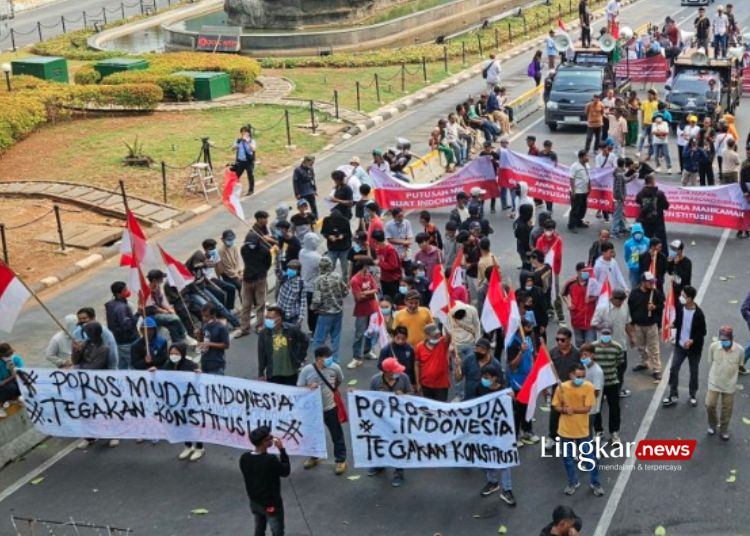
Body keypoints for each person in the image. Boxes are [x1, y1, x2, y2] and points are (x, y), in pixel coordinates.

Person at [553, 362, 604, 496]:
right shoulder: (561, 388)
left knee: (590, 458)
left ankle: (595, 483)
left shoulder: (588, 387)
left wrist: (572, 410)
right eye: (578, 376)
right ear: (571, 375)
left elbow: (587, 408)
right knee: (567, 458)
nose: (580, 379)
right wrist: (563, 410)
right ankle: (572, 482)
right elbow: (556, 406)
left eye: (583, 376)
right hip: (565, 431)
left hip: (582, 430)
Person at [298, 346, 347, 475]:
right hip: (313, 410)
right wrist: (308, 387)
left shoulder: (335, 367)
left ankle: (340, 460)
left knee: (336, 434)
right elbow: (299, 387)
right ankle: (314, 456)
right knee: (313, 433)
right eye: (327, 357)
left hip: (330, 407)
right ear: (319, 359)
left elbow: (339, 380)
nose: (330, 360)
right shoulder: (307, 371)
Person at [368, 357, 413, 487]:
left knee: (398, 444)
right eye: (394, 370)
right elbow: (368, 398)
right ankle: (379, 465)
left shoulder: (403, 378)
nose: (397, 372)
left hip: (398, 419)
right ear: (386, 371)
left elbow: (411, 393)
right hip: (382, 420)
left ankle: (399, 472)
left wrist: (404, 396)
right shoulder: (375, 381)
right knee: (381, 442)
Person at [239, 426, 290, 536]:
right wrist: (282, 450)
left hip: (254, 501)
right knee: (277, 530)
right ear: (263, 442)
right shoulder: (270, 460)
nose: (272, 439)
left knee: (259, 527)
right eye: (269, 437)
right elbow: (285, 471)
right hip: (271, 503)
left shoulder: (244, 458)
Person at [663, 286, 706, 408]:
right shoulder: (681, 308)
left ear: (690, 298)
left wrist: (692, 340)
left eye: (683, 296)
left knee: (694, 371)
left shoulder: (699, 314)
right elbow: (679, 321)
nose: (681, 298)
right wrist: (672, 325)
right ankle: (673, 394)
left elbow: (703, 332)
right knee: (674, 368)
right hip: (680, 346)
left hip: (694, 349)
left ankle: (692, 395)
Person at [235, 212, 276, 338]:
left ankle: (260, 326)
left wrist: (261, 273)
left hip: (260, 280)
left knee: (260, 304)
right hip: (247, 280)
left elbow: (267, 265)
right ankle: (244, 328)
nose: (250, 245)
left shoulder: (264, 252)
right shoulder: (244, 249)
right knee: (246, 306)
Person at [163, 342, 204, 461]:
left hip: (190, 400)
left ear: (182, 353)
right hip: (177, 401)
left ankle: (199, 448)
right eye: (171, 353)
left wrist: (199, 375)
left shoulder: (190, 365)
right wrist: (155, 372)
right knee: (183, 424)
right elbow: (161, 376)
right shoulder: (168, 365)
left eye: (176, 353)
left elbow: (199, 382)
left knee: (194, 424)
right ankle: (188, 446)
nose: (173, 355)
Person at [706, 326, 744, 440]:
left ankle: (724, 429)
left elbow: (740, 365)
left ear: (731, 338)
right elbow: (710, 361)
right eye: (722, 340)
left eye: (726, 340)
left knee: (727, 408)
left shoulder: (740, 350)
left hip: (729, 384)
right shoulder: (713, 347)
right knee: (710, 405)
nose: (723, 342)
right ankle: (713, 424)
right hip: (714, 381)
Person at [592, 289, 632, 398]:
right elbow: (593, 323)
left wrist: (631, 337)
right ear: (612, 298)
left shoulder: (625, 306)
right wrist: (603, 326)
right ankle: (603, 391)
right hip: (606, 345)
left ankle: (617, 390)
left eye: (622, 301)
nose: (620, 303)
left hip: (621, 345)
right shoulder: (602, 308)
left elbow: (627, 322)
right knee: (605, 370)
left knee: (621, 368)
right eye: (619, 301)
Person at [257, 306, 309, 385]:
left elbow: (305, 340)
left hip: (291, 373)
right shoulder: (263, 333)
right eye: (266, 318)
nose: (267, 320)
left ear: (279, 318)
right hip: (273, 374)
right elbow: (261, 353)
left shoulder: (292, 329)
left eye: (270, 318)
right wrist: (261, 373)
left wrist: (301, 357)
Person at [310, 257, 348, 363]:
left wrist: (313, 308)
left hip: (325, 314)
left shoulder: (318, 280)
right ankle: (335, 360)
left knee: (319, 340)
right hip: (338, 312)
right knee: (335, 338)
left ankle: (318, 361)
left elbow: (316, 300)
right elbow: (345, 292)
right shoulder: (337, 276)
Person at [507, 320, 539, 445]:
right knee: (517, 409)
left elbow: (531, 356)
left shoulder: (528, 340)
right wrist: (521, 351)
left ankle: (527, 431)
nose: (530, 329)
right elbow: (512, 366)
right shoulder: (512, 343)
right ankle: (515, 435)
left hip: (528, 380)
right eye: (528, 327)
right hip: (517, 382)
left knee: (528, 407)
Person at [590, 326, 624, 442]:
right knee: (596, 408)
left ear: (611, 334)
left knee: (614, 408)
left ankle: (614, 432)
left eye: (608, 333)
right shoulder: (593, 347)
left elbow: (619, 362)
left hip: (612, 381)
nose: (605, 335)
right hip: (597, 383)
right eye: (603, 333)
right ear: (600, 333)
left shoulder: (617, 347)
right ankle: (598, 431)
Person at [629, 272, 664, 382]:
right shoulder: (634, 293)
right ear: (643, 282)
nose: (652, 284)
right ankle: (644, 362)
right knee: (640, 346)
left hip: (651, 325)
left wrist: (654, 307)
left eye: (653, 282)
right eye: (650, 282)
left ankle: (657, 369)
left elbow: (661, 306)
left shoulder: (655, 293)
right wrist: (632, 323)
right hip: (638, 325)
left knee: (654, 347)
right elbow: (630, 308)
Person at [548, 328, 581, 446]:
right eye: (557, 339)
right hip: (557, 388)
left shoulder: (577, 354)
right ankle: (552, 437)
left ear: (569, 340)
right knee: (554, 413)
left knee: (572, 413)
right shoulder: (552, 353)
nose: (559, 342)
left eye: (562, 340)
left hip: (572, 389)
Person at [349, 258, 379, 369]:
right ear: (364, 266)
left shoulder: (369, 276)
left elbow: (376, 289)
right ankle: (356, 358)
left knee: (371, 332)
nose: (371, 268)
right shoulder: (355, 280)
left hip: (372, 308)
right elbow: (358, 298)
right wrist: (370, 293)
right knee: (359, 334)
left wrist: (365, 292)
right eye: (369, 266)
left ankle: (367, 351)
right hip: (361, 310)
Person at [536, 219, 565, 322]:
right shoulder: (540, 240)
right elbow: (538, 256)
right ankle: (549, 310)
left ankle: (560, 315)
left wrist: (555, 270)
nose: (548, 231)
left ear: (554, 229)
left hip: (554, 270)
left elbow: (558, 256)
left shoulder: (558, 240)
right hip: (543, 271)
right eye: (546, 229)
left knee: (556, 292)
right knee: (545, 290)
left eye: (550, 229)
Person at [414, 324, 451, 401]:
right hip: (426, 384)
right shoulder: (419, 347)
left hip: (441, 385)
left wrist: (445, 321)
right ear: (426, 336)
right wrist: (418, 383)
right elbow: (417, 365)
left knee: (441, 409)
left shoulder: (443, 342)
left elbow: (449, 335)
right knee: (429, 409)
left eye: (438, 335)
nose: (437, 337)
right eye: (434, 336)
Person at [563, 264, 597, 347]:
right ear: (578, 271)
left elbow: (599, 295)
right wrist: (568, 303)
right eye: (583, 271)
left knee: (590, 346)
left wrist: (591, 299)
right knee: (579, 345)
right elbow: (563, 294)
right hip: (576, 319)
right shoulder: (571, 283)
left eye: (587, 271)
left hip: (590, 320)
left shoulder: (593, 282)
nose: (586, 273)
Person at [635, 173, 670, 247]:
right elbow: (666, 206)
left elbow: (637, 201)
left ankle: (647, 256)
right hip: (658, 220)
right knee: (661, 240)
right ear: (653, 182)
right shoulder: (660, 193)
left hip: (645, 220)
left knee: (646, 239)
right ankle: (663, 256)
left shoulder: (640, 193)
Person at [372, 229, 402, 299]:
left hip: (393, 280)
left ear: (375, 241)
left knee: (393, 299)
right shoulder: (379, 249)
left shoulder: (390, 250)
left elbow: (393, 266)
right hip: (384, 278)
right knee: (386, 299)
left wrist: (379, 263)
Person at [568, 150, 591, 233]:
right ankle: (571, 225)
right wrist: (573, 191)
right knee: (575, 209)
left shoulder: (587, 165)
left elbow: (588, 177)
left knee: (583, 208)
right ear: (581, 157)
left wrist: (589, 187)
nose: (588, 157)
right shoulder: (575, 166)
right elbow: (571, 178)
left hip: (584, 191)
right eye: (586, 156)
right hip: (577, 192)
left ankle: (579, 222)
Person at [623, 222, 650, 288]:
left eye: (639, 233)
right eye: (636, 233)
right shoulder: (628, 243)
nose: (638, 234)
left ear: (642, 233)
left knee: (645, 285)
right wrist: (631, 264)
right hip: (634, 264)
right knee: (634, 285)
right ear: (633, 233)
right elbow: (627, 255)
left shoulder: (647, 241)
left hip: (645, 265)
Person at [0, 344, 23, 417]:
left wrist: (13, 369)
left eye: (10, 354)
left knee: (19, 383)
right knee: (10, 387)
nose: (9, 356)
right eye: (7, 355)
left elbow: (22, 373)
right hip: (4, 384)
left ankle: (17, 398)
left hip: (13, 380)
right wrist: (12, 376)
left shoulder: (16, 359)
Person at [233, 125, 257, 195]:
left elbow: (253, 149)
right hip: (240, 161)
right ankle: (235, 190)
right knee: (236, 176)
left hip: (249, 161)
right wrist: (236, 146)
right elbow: (233, 148)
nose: (244, 134)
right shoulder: (239, 140)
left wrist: (247, 142)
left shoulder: (252, 141)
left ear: (248, 133)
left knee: (250, 175)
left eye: (245, 132)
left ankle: (251, 190)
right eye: (242, 132)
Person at [217, 229, 243, 294]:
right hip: (228, 274)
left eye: (232, 239)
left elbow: (237, 260)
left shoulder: (234, 247)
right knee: (240, 286)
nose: (230, 241)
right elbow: (227, 267)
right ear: (223, 240)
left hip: (236, 271)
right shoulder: (221, 251)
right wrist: (236, 275)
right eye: (228, 239)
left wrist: (240, 272)